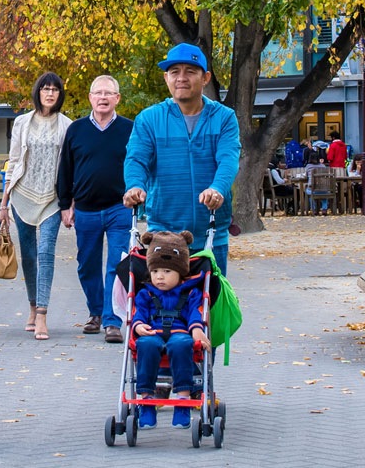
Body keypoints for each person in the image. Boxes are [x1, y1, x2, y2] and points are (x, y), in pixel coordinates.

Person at [123, 43, 240, 272]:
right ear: (166, 77)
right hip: (164, 235)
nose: (181, 78)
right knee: (164, 305)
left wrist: (217, 188)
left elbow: (228, 159)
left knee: (210, 302)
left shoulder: (224, 118)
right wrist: (134, 185)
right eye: (175, 72)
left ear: (205, 77)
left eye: (190, 71)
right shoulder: (149, 119)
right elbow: (136, 159)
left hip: (211, 231)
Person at [56, 75, 134, 344]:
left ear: (117, 98)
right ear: (90, 97)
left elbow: (139, 164)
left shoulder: (129, 129)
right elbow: (65, 170)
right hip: (86, 210)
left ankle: (113, 321)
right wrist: (65, 206)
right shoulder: (76, 130)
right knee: (86, 265)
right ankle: (96, 312)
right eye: (98, 92)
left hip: (119, 209)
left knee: (116, 263)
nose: (103, 97)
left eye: (108, 93)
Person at [0, 72, 71, 341]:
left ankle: (42, 313)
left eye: (55, 89)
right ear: (38, 92)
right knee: (29, 255)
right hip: (22, 196)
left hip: (52, 198)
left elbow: (69, 167)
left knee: (45, 252)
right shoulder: (21, 122)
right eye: (45, 89)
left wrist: (69, 203)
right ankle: (32, 304)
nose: (50, 93)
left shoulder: (67, 125)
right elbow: (14, 161)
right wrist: (4, 204)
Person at [130, 230, 208, 430]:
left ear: (180, 272)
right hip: (152, 332)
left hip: (179, 332)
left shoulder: (191, 292)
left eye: (166, 271)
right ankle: (147, 401)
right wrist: (138, 326)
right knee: (145, 345)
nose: (160, 277)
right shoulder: (146, 293)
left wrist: (197, 329)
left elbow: (194, 314)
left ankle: (182, 400)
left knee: (183, 345)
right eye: (155, 271)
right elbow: (139, 313)